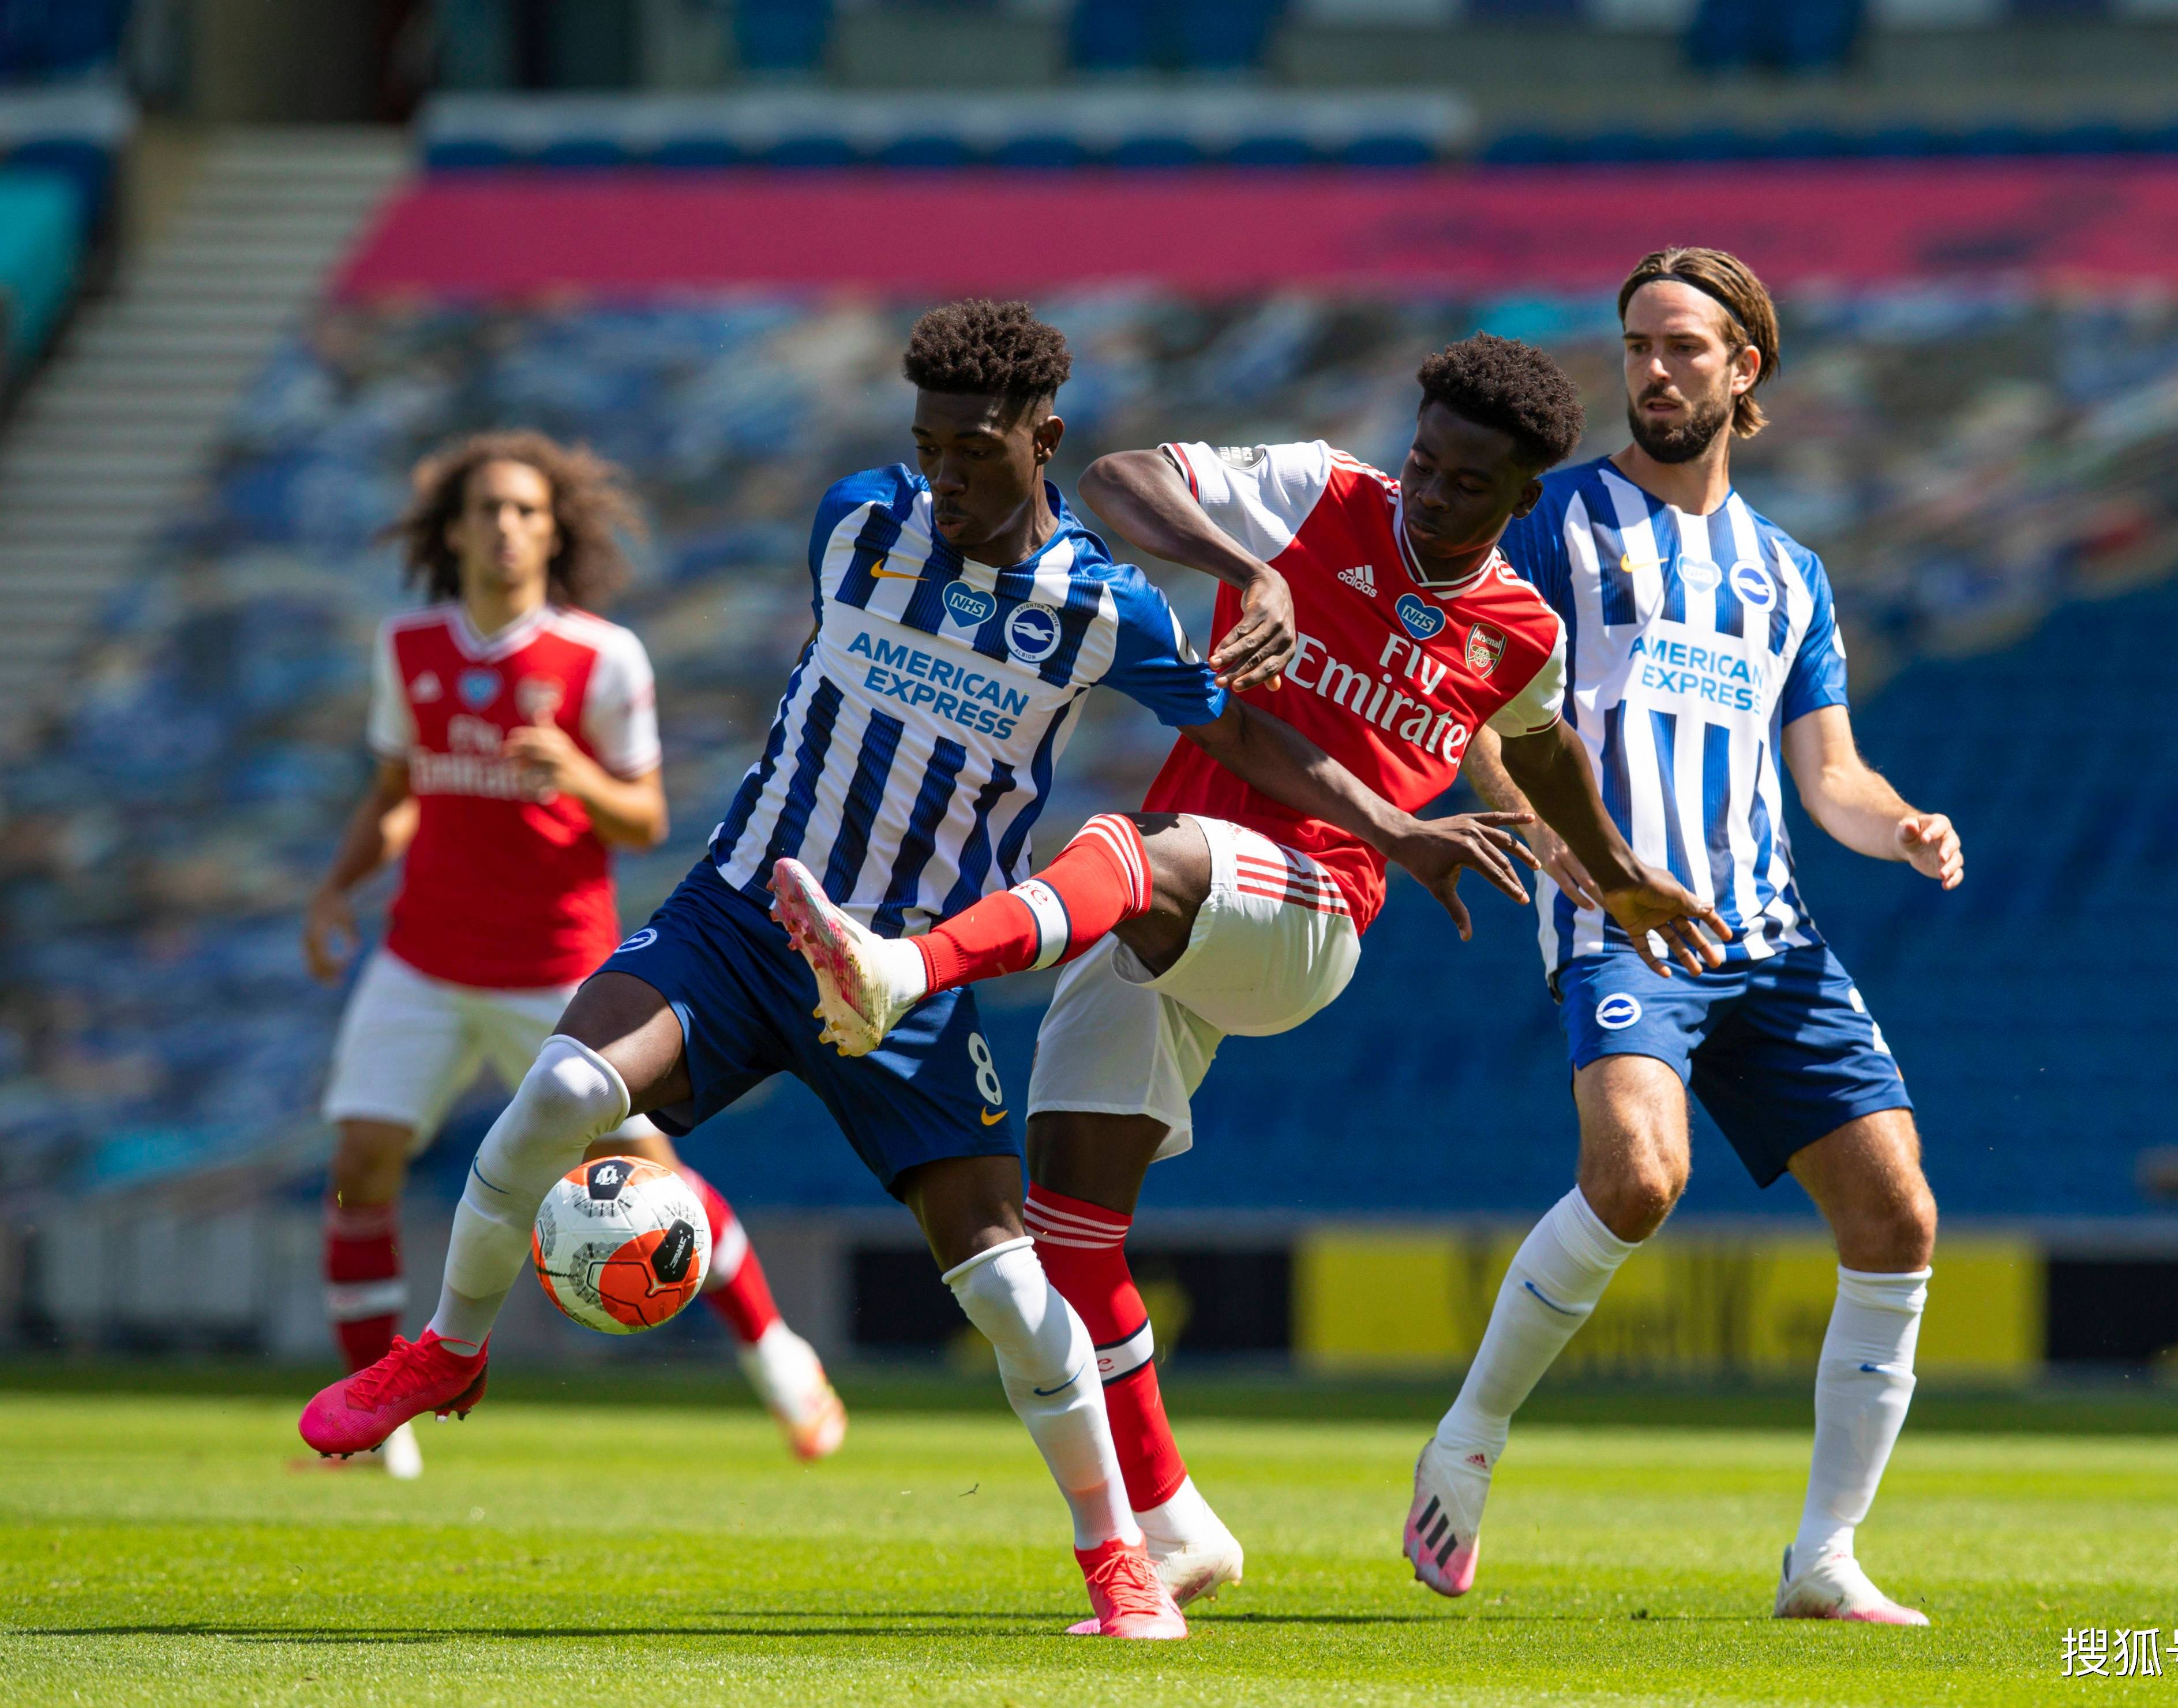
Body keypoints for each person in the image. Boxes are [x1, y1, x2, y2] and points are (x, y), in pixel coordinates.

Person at [300, 301, 1531, 1639]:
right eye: (928, 446)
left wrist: (1396, 827)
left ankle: (1116, 1554)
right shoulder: (856, 520)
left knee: (1011, 1287)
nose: (941, 478)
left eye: (973, 452)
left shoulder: (1097, 605)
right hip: (737, 918)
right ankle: (450, 1350)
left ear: (1040, 438)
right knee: (555, 1095)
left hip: (906, 976)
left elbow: (1246, 738)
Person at [773, 332, 1723, 1609]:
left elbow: (1538, 746)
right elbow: (1112, 477)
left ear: (1518, 498)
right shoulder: (1320, 495)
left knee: (1130, 845)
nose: (1425, 495)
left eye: (1461, 485)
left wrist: (1613, 873)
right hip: (1164, 913)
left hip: (1308, 912)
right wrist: (1242, 570)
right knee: (1069, 1233)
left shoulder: (1517, 630)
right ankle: (1171, 1526)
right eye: (1421, 463)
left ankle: (906, 972)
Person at [1409, 247, 1963, 1624]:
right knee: (1639, 1178)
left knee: (1897, 1211)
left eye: (1681, 349)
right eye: (1637, 347)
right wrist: (1550, 838)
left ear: (1742, 368)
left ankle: (1824, 1557)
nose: (1652, 372)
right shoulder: (1554, 523)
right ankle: (1465, 1440)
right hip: (1618, 916)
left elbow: (1827, 770)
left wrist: (1898, 823)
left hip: (1767, 934)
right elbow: (1477, 709)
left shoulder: (1786, 572)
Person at [305, 432, 842, 1479]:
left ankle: (781, 1360)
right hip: (422, 959)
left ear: (555, 532)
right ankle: (379, 1432)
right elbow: (396, 794)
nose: (506, 528)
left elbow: (643, 820)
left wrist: (573, 777)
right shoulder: (408, 647)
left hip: (558, 966)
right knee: (360, 1164)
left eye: (526, 512)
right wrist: (338, 887)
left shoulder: (602, 655)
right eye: (488, 510)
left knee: (651, 1176)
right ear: (452, 529)